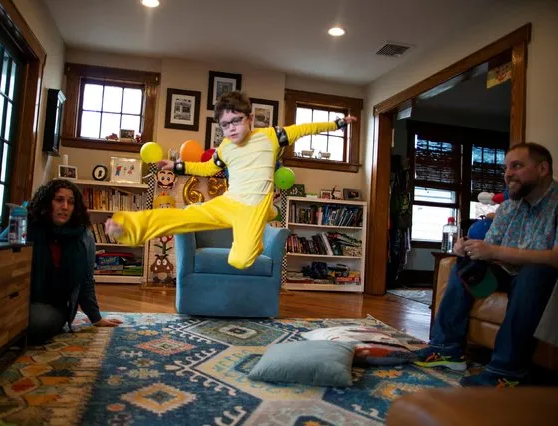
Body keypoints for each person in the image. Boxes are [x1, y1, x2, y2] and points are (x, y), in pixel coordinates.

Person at [106, 91, 356, 269]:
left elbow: (304, 129)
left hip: (253, 209)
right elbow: (207, 168)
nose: (232, 128)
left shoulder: (272, 136)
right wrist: (177, 166)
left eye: (236, 120)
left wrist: (337, 123)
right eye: (225, 125)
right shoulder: (225, 147)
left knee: (240, 261)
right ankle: (127, 226)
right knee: (182, 216)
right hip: (229, 202)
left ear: (250, 117)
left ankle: (266, 212)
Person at [414, 142, 558, 387]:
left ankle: (506, 372)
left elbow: (554, 256)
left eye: (517, 166)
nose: (508, 174)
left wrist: (495, 251)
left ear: (543, 169)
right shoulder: (511, 204)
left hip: (538, 277)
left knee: (535, 273)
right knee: (466, 264)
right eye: (506, 168)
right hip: (506, 271)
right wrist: (469, 248)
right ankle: (446, 349)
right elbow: (490, 246)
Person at [27, 179, 122, 344]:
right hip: (20, 298)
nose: (65, 207)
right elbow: (2, 256)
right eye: (59, 200)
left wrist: (96, 318)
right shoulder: (28, 225)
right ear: (46, 202)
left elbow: (86, 282)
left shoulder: (84, 236)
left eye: (70, 202)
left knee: (37, 323)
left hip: (53, 304)